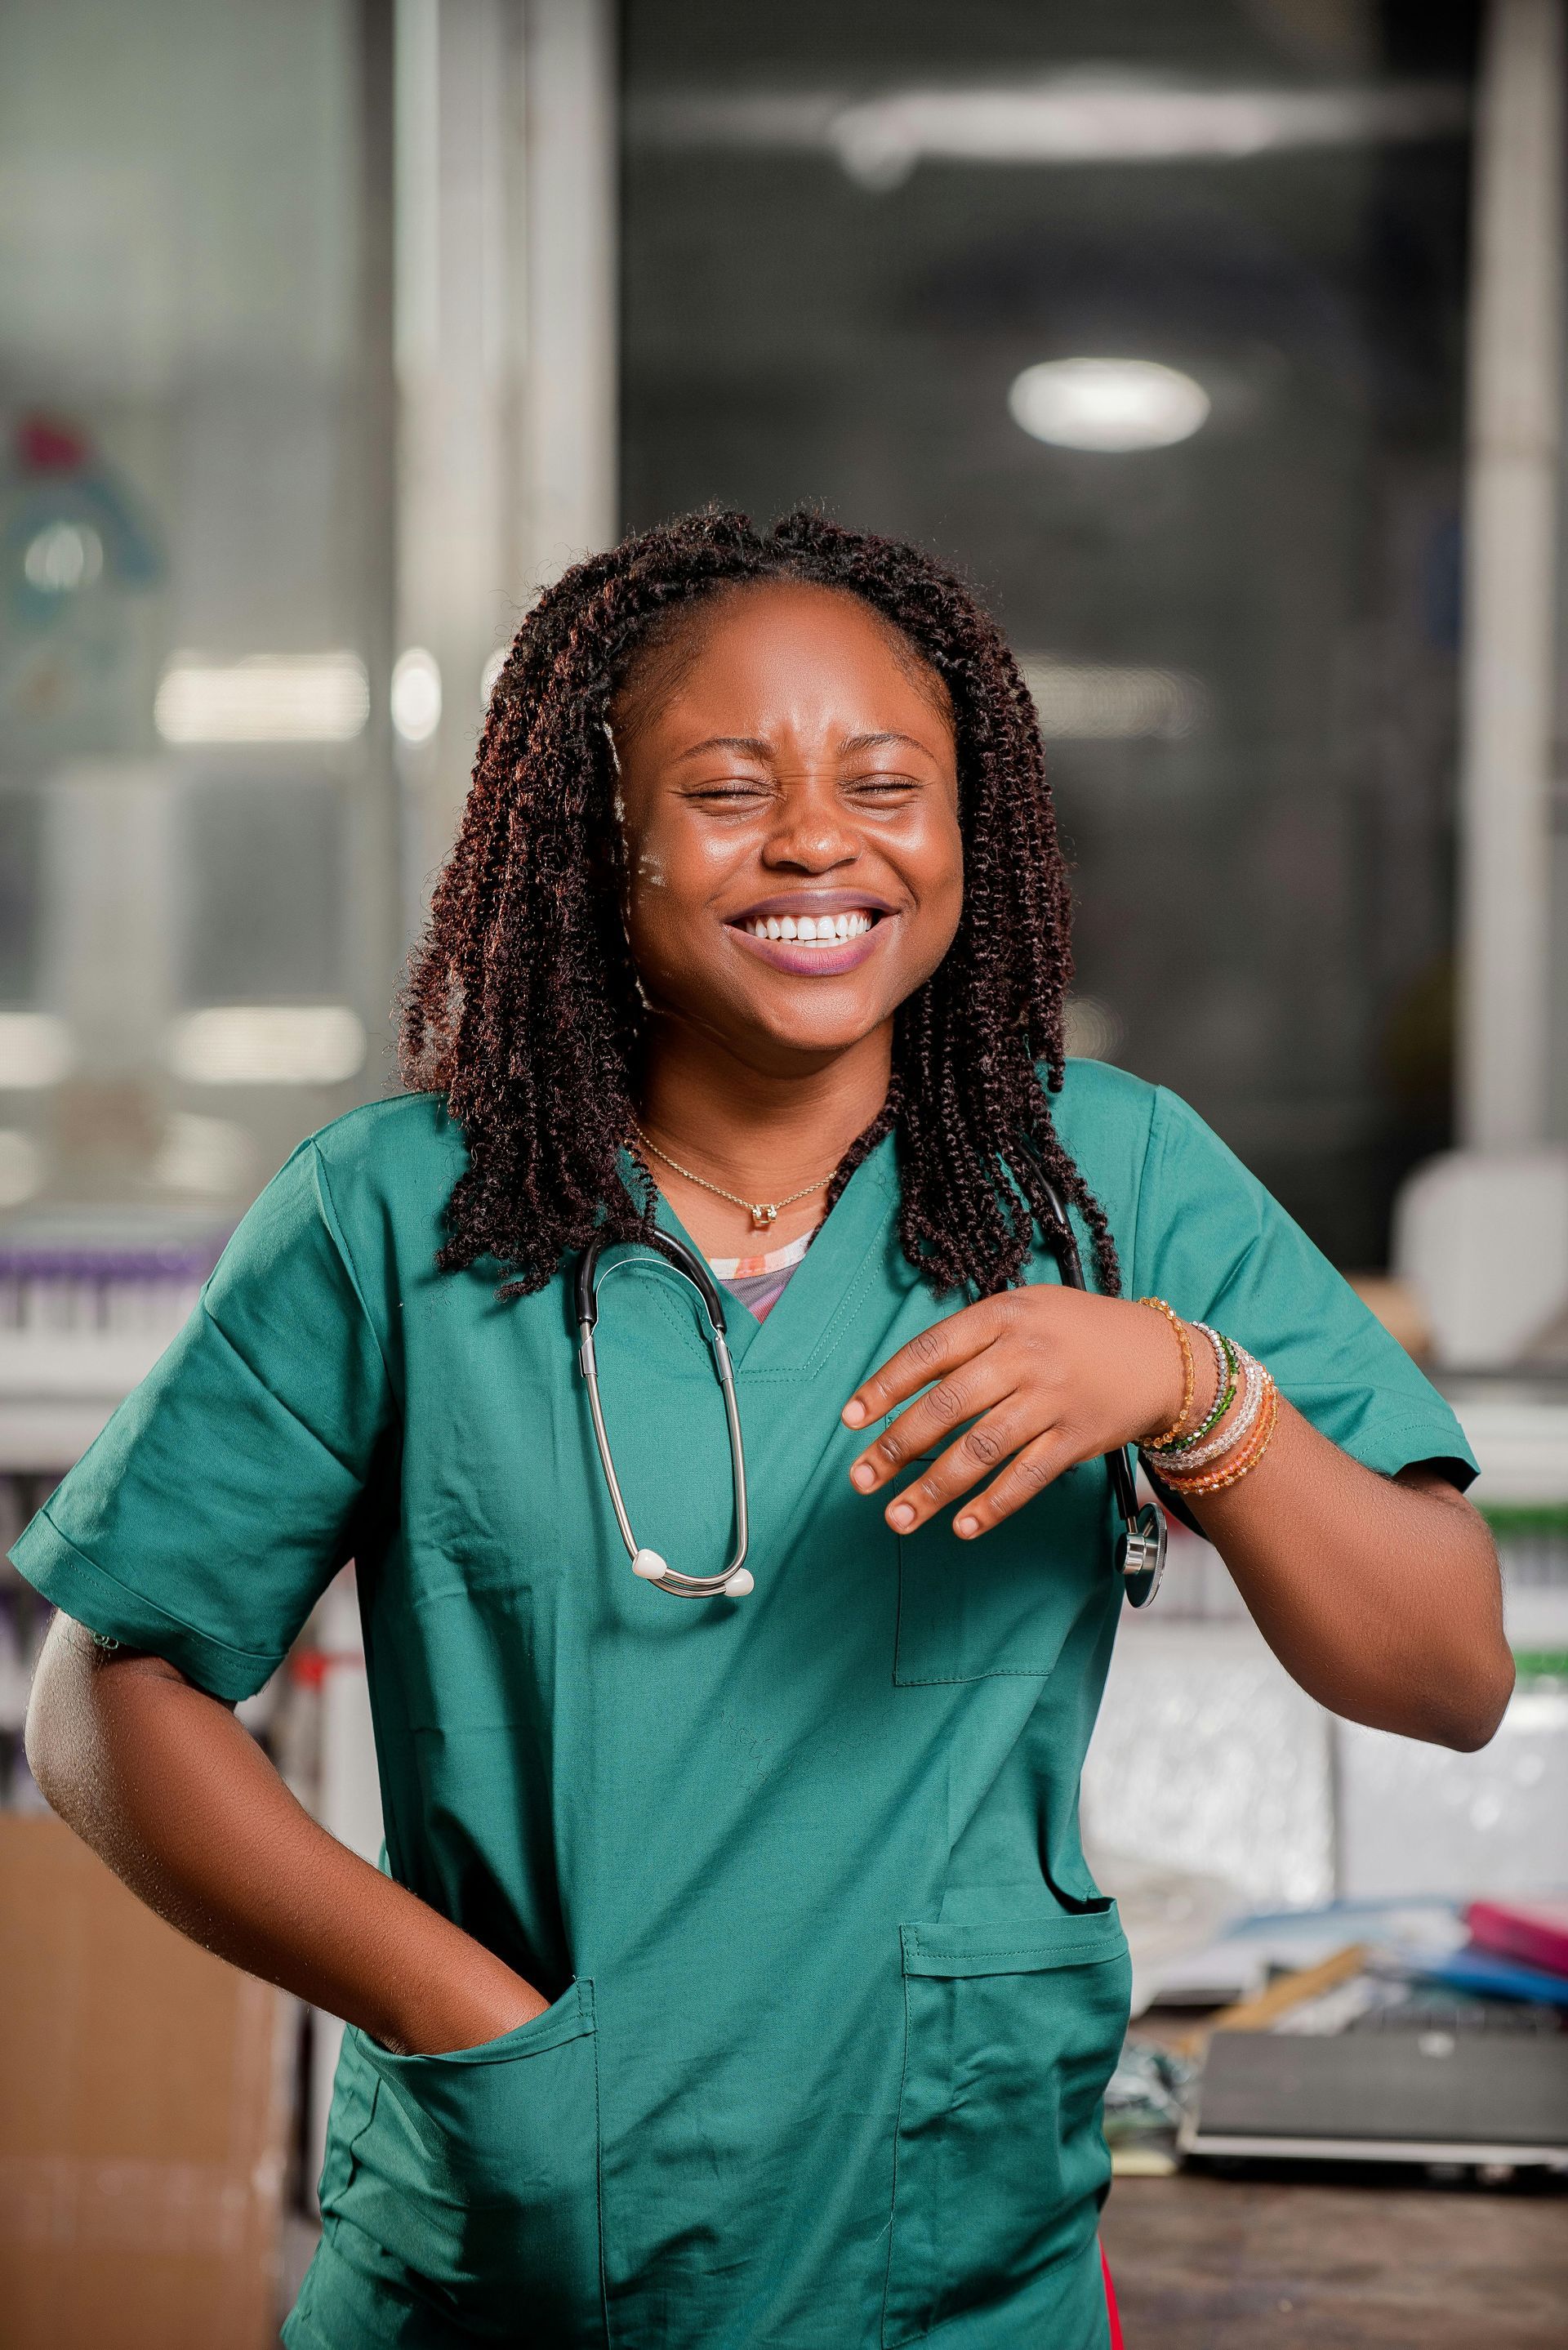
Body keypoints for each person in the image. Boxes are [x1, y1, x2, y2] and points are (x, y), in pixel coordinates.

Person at [19, 510, 1510, 2350]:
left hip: (952, 2269)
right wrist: (455, 2010)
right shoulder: (392, 1218)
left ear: (972, 825)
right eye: (731, 786)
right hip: (505, 2269)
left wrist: (1186, 1388)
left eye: (887, 780)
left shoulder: (1107, 1179)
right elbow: (105, 1690)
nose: (820, 838)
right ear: (601, 840)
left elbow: (1447, 1666)